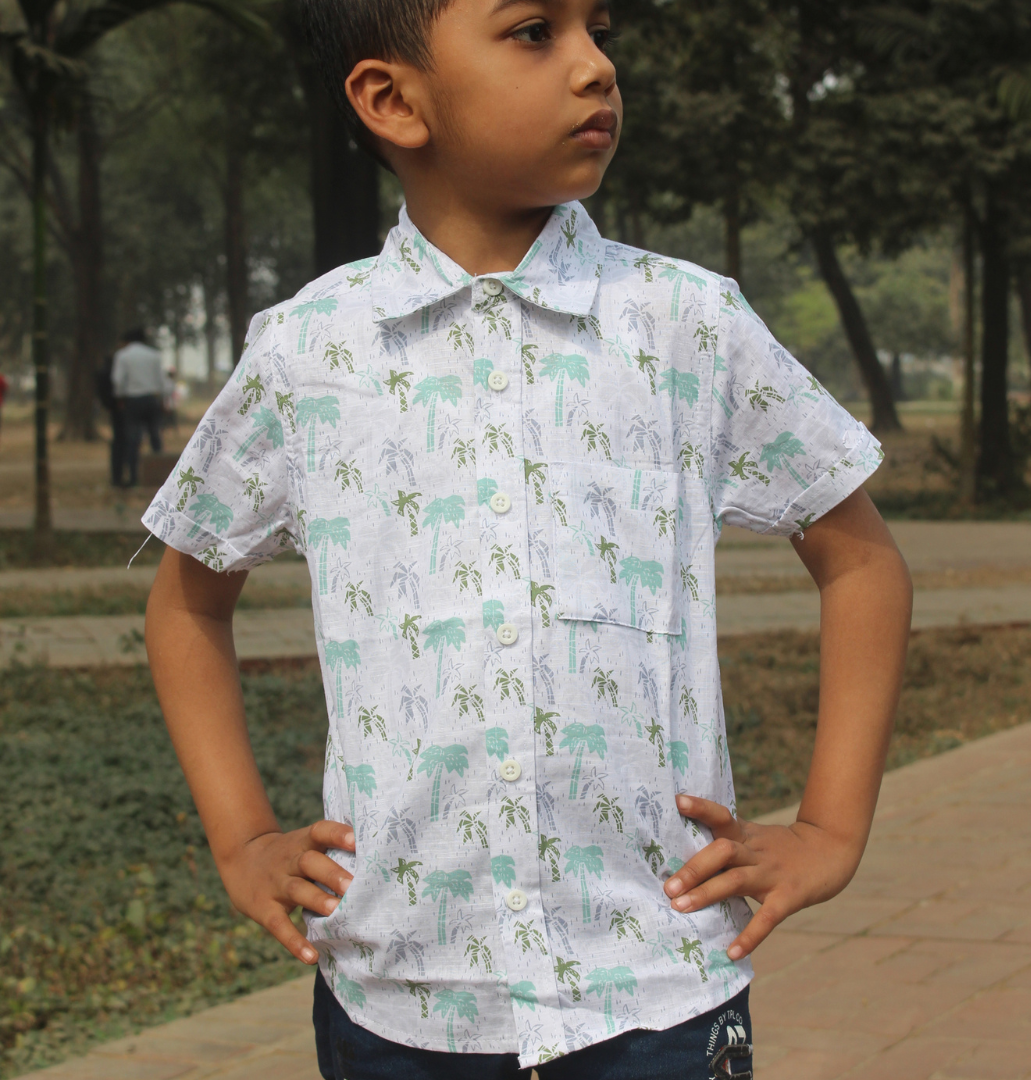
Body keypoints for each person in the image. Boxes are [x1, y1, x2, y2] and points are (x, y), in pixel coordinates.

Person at [143, 3, 913, 1077]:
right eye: (534, 32)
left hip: (656, 982)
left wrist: (829, 830)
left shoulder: (687, 324)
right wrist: (243, 840)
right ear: (391, 100)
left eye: (600, 30)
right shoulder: (309, 352)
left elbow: (862, 562)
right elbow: (187, 601)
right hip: (397, 993)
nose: (596, 67)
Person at [112, 327, 165, 487]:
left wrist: (120, 397)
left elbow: (118, 380)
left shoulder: (123, 355)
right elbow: (160, 380)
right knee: (155, 435)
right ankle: (160, 475)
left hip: (133, 400)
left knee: (133, 439)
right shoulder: (154, 355)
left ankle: (134, 477)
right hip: (151, 398)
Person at [95, 354, 126, 487]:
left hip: (113, 408)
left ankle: (117, 477)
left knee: (118, 443)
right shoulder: (114, 373)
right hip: (121, 408)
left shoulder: (102, 372)